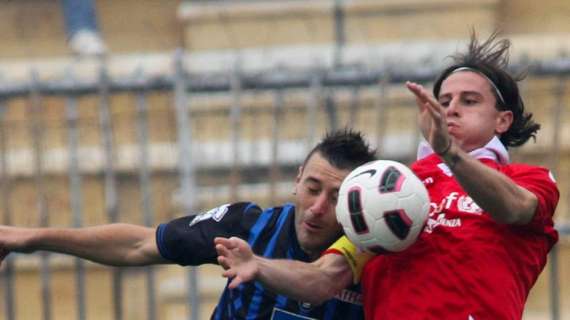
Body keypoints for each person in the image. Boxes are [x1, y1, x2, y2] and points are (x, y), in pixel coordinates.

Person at [215, 32, 560, 320]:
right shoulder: (392, 188)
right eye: (444, 100)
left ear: (503, 120)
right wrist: (257, 266)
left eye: (469, 101)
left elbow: (514, 209)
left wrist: (449, 153)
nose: (451, 108)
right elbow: (324, 278)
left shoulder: (528, 180)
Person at [0, 129, 376, 319]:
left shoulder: (371, 257)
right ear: (297, 180)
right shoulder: (249, 227)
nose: (317, 208)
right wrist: (29, 237)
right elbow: (140, 244)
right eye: (312, 189)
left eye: (337, 197)